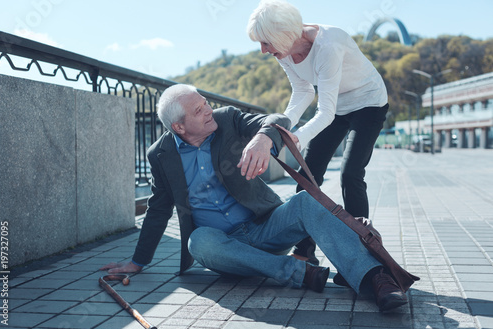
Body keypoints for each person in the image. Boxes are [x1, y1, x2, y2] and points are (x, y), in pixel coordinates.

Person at [101, 84, 408, 312]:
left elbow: (277, 120)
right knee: (199, 241)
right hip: (223, 247)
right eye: (198, 111)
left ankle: (374, 279)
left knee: (304, 202)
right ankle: (300, 273)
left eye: (205, 103)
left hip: (266, 226)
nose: (208, 110)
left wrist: (263, 138)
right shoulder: (160, 154)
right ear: (179, 126)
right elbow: (157, 208)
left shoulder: (226, 119)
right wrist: (139, 261)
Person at [246, 0, 390, 267]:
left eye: (266, 43)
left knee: (351, 174)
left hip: (368, 102)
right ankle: (304, 250)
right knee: (308, 176)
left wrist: (299, 137)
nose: (263, 50)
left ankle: (364, 256)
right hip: (336, 105)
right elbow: (303, 92)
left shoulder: (329, 44)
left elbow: (325, 112)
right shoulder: (285, 50)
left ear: (283, 34)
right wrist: (283, 128)